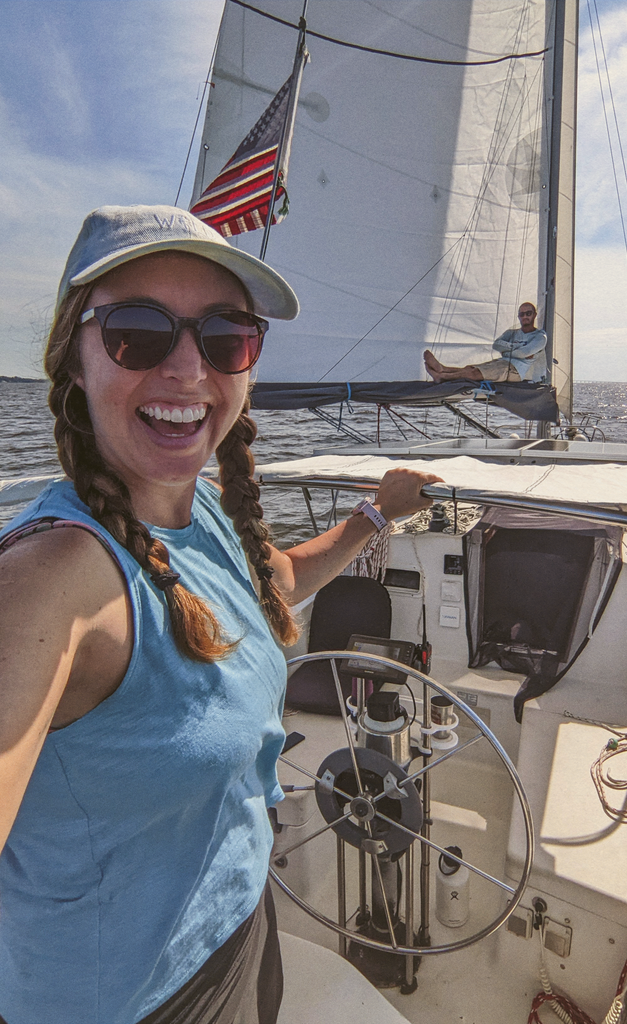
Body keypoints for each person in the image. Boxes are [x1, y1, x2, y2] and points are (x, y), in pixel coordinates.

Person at [0, 205, 441, 1024]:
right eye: (138, 332)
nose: (187, 371)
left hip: (238, 926)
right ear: (74, 360)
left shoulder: (199, 512)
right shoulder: (51, 578)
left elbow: (278, 580)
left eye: (224, 337)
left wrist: (378, 515)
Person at [423, 302, 548, 384]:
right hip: (503, 363)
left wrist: (509, 351)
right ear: (518, 316)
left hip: (516, 371)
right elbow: (497, 344)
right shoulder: (512, 333)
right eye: (522, 314)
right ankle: (443, 369)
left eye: (528, 313)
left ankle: (442, 377)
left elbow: (522, 354)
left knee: (475, 373)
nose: (525, 316)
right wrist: (515, 347)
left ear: (534, 315)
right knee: (470, 368)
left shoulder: (540, 337)